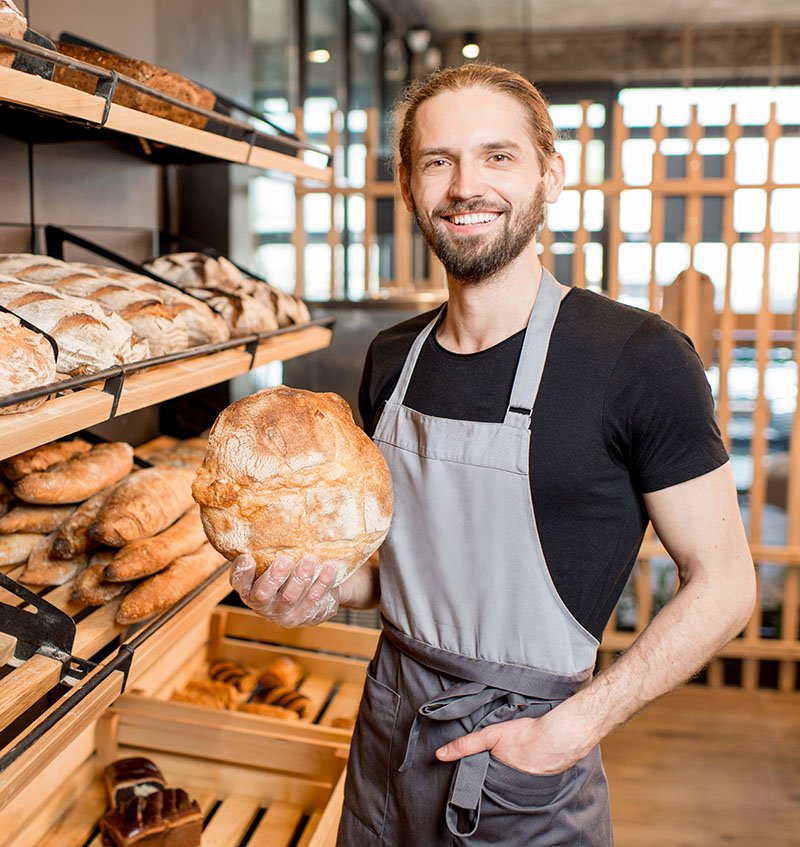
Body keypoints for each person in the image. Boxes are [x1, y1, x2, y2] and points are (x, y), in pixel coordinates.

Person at [230, 63, 756, 846]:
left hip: (526, 770)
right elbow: (394, 569)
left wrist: (573, 729)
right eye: (438, 161)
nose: (465, 185)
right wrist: (314, 589)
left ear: (552, 176)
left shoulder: (637, 357)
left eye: (497, 156)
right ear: (410, 185)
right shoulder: (390, 360)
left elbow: (727, 584)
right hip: (385, 737)